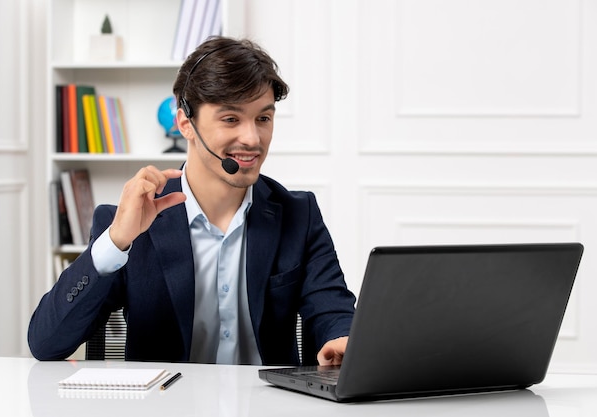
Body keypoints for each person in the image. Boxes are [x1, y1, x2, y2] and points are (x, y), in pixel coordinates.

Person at [28, 36, 356, 365]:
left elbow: (333, 310)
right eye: (231, 119)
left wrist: (342, 339)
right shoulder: (131, 224)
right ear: (186, 124)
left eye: (263, 118)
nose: (253, 139)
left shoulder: (298, 214)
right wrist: (116, 242)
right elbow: (46, 343)